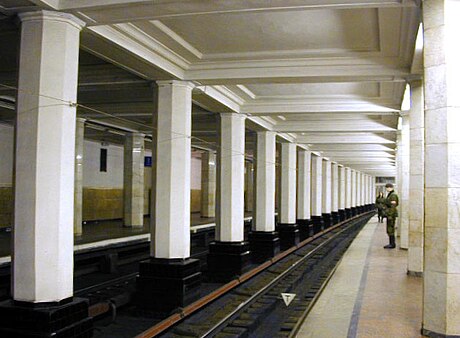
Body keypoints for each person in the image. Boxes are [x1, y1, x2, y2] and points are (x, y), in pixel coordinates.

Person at [383, 183, 399, 249]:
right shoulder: (391, 194)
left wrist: (390, 215)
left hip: (391, 215)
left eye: (387, 188)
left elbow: (393, 206)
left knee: (390, 229)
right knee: (389, 229)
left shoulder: (393, 195)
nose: (386, 189)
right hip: (390, 214)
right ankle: (391, 243)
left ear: (390, 187)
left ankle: (392, 244)